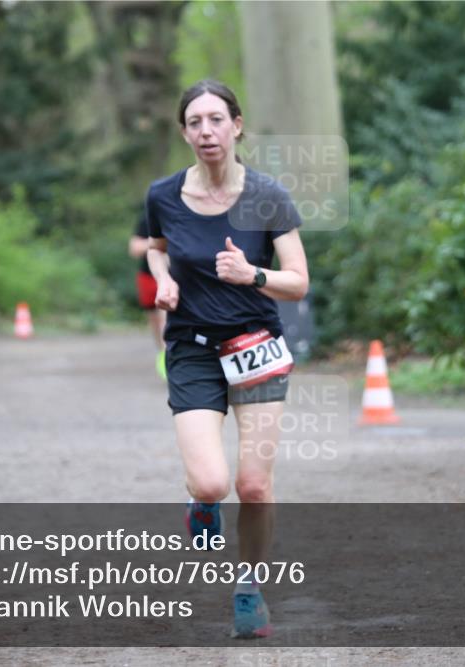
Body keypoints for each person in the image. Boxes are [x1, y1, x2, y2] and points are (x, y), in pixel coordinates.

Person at [146, 80, 309, 638]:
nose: (206, 131)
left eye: (216, 119)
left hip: (256, 347)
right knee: (212, 483)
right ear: (184, 132)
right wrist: (165, 281)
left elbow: (298, 282)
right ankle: (202, 506)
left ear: (237, 125)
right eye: (195, 122)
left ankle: (249, 591)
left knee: (255, 486)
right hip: (192, 350)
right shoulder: (163, 195)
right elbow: (155, 247)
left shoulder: (268, 195)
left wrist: (253, 275)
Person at [128, 203, 167, 379]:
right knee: (154, 321)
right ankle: (162, 352)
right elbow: (134, 248)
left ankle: (169, 356)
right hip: (147, 275)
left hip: (171, 276)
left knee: (165, 317)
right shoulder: (149, 218)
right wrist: (160, 242)